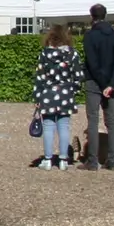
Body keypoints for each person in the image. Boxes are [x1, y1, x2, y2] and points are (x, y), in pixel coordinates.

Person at [31, 23, 85, 170]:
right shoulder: (72, 54)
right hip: (66, 93)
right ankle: (63, 160)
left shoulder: (44, 54)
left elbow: (39, 77)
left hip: (48, 93)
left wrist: (37, 97)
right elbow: (79, 76)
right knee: (64, 127)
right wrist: (73, 90)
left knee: (48, 127)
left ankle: (47, 160)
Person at [81, 3, 114, 170]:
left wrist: (104, 83)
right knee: (111, 121)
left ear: (92, 16)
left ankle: (93, 160)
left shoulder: (90, 35)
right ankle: (112, 160)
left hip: (94, 81)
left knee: (93, 120)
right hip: (111, 83)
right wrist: (111, 84)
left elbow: (92, 62)